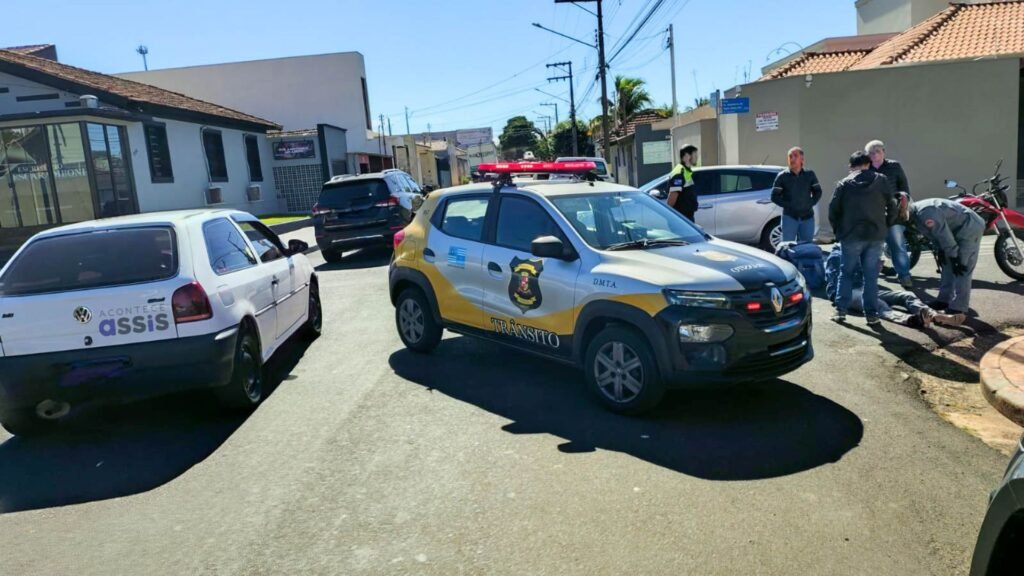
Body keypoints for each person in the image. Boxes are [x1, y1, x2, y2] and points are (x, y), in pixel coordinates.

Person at [829, 151, 896, 325]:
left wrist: (839, 232)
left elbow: (833, 210)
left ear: (851, 166)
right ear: (869, 164)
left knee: (846, 273)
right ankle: (872, 315)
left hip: (850, 236)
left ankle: (840, 311)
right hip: (875, 235)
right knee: (871, 277)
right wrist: (886, 225)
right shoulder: (881, 180)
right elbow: (892, 205)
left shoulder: (844, 184)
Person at [824, 245, 959, 328]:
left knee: (906, 295)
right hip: (847, 293)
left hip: (864, 288)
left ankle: (933, 315)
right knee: (878, 303)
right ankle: (910, 320)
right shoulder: (837, 256)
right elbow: (840, 284)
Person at [908, 197, 986, 326]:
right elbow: (935, 235)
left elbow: (943, 235)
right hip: (954, 229)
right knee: (946, 265)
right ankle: (944, 300)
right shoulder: (915, 215)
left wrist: (955, 257)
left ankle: (958, 307)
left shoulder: (926, 212)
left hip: (969, 227)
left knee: (962, 267)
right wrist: (940, 250)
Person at [866, 140, 914, 288]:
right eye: (871, 152)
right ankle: (870, 278)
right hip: (873, 214)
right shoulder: (865, 169)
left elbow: (904, 187)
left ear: (883, 152)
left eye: (877, 151)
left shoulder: (894, 166)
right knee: (872, 247)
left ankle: (904, 276)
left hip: (894, 213)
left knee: (898, 246)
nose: (875, 155)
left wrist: (903, 203)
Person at [771, 147, 822, 243]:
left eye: (795, 156)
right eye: (790, 156)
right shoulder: (782, 176)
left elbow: (818, 192)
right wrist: (789, 205)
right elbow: (774, 196)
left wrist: (810, 203)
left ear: (802, 159)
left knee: (806, 246)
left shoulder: (809, 174)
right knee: (787, 245)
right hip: (789, 217)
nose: (792, 159)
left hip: (807, 217)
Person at [667, 145, 698, 222]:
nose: (697, 158)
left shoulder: (686, 171)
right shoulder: (679, 172)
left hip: (687, 217)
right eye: (695, 155)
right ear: (687, 156)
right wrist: (669, 216)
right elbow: (672, 197)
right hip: (681, 218)